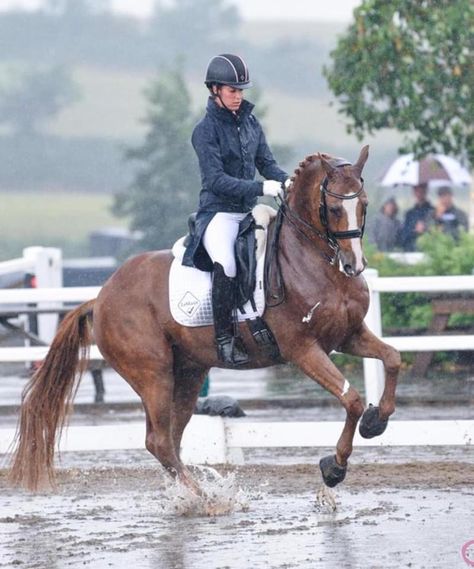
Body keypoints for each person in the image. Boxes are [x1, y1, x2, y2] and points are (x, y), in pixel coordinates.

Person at [182, 54, 289, 366]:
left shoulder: (251, 123)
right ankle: (224, 338)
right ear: (215, 90)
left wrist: (286, 181)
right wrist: (261, 188)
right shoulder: (205, 130)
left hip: (249, 211)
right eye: (232, 90)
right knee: (227, 264)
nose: (238, 96)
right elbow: (216, 180)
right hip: (218, 214)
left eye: (241, 90)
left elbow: (267, 164)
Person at [401, 183, 434, 251]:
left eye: (422, 191)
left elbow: (437, 233)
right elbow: (403, 236)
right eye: (417, 190)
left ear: (426, 191)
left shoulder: (433, 212)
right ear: (414, 192)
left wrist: (425, 229)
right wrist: (415, 231)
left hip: (429, 251)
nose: (419, 193)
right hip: (411, 251)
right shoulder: (409, 214)